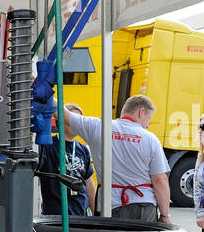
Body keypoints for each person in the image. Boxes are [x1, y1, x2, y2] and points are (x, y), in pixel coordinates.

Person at [67, 95, 172, 224]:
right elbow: (159, 180)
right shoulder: (151, 139)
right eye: (148, 119)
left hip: (108, 206)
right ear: (141, 112)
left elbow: (63, 114)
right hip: (142, 208)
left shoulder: (98, 127)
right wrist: (165, 215)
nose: (148, 124)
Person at [37, 101, 96, 216]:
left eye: (79, 120)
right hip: (56, 217)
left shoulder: (83, 149)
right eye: (73, 119)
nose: (77, 124)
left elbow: (89, 183)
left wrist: (96, 214)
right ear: (61, 121)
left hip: (80, 215)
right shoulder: (47, 146)